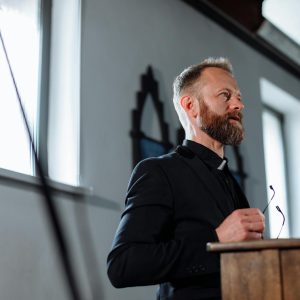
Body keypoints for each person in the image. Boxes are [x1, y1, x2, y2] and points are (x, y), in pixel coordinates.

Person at [107, 57, 265, 300]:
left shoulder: (229, 181)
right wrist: (216, 239)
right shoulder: (159, 172)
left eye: (239, 97)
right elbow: (123, 266)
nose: (238, 105)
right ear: (191, 106)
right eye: (225, 95)